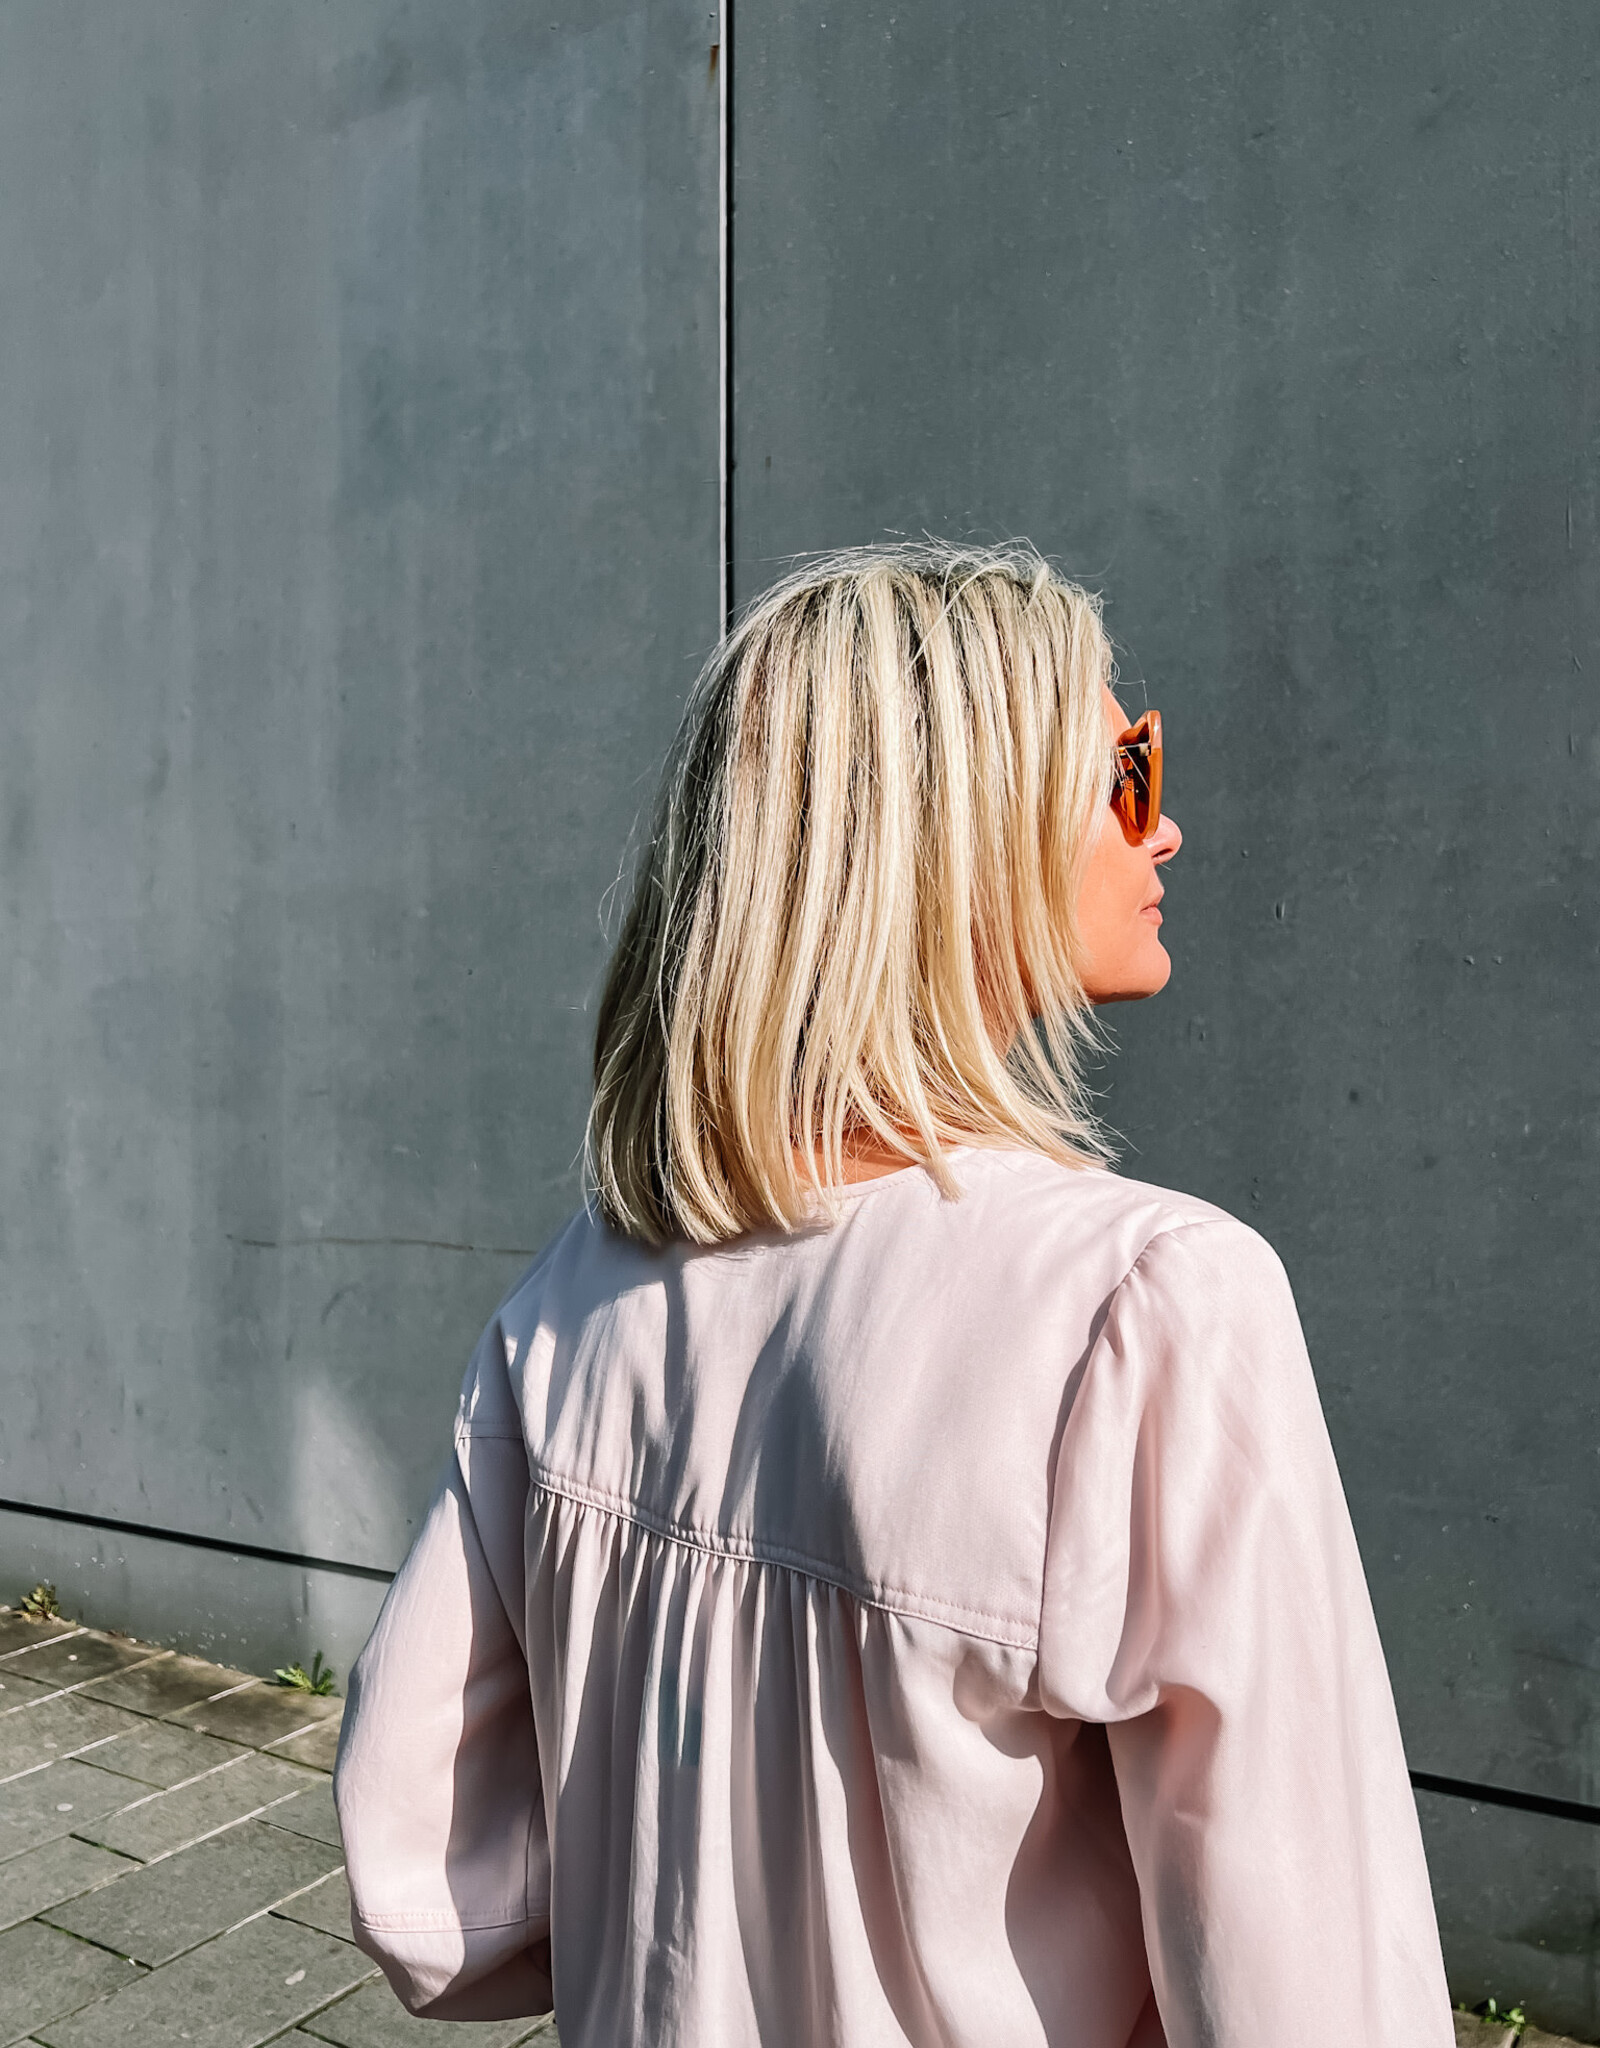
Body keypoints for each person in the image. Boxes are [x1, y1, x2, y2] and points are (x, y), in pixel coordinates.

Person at [332, 543, 1454, 2047]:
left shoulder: (576, 1293)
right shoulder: (1150, 1308)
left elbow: (427, 1894)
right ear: (962, 835)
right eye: (1127, 769)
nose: (1167, 826)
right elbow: (1316, 1995)